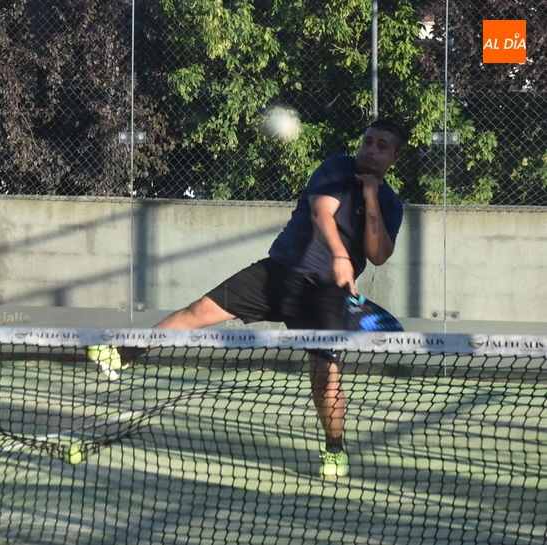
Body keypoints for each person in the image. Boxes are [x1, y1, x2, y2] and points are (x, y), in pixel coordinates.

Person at [88, 118, 407, 478]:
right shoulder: (336, 167)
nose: (370, 150)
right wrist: (339, 256)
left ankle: (334, 449)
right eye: (367, 141)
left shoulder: (390, 204)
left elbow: (378, 255)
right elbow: (321, 214)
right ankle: (122, 354)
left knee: (325, 374)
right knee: (198, 311)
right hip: (278, 274)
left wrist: (370, 197)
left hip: (326, 297)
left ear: (394, 157)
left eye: (381, 146)